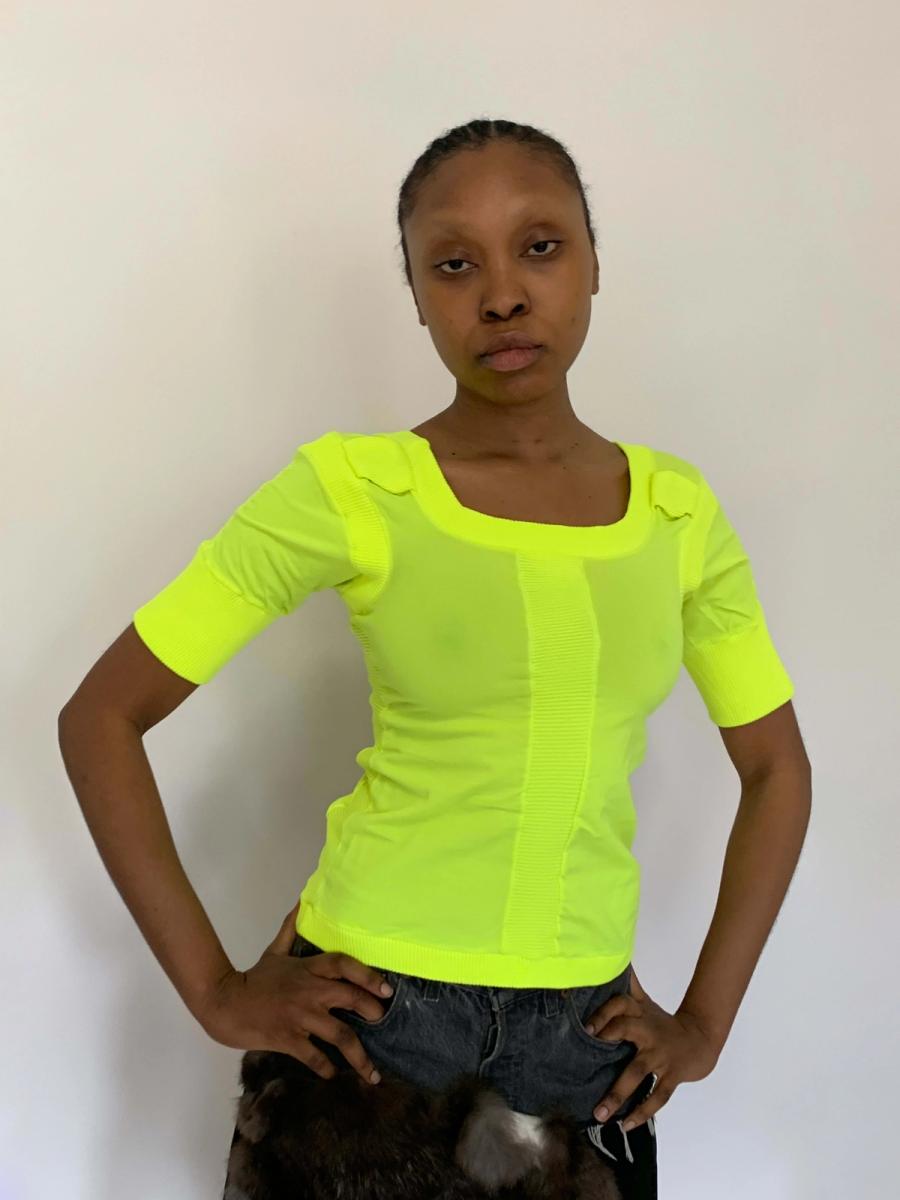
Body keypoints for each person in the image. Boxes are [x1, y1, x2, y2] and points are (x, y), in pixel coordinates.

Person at [58, 118, 812, 1200]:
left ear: (595, 262)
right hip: (369, 1034)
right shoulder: (354, 489)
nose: (501, 295)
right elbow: (100, 717)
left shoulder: (678, 516)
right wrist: (217, 992)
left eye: (539, 247)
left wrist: (704, 1023)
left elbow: (777, 770)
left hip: (584, 1050)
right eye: (453, 265)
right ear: (415, 295)